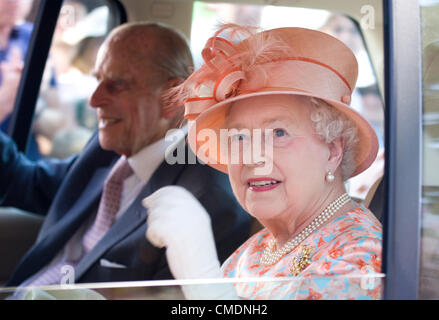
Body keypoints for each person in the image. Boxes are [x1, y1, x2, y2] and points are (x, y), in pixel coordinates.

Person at [1, 22, 250, 294]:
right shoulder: (109, 145)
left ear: (171, 98)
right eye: (98, 80)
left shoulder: (209, 201)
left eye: (117, 84)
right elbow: (30, 184)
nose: (94, 100)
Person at [143, 25, 383, 300]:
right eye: (240, 137)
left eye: (278, 133)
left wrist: (204, 282)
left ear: (332, 151)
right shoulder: (255, 251)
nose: (252, 155)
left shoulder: (363, 255)